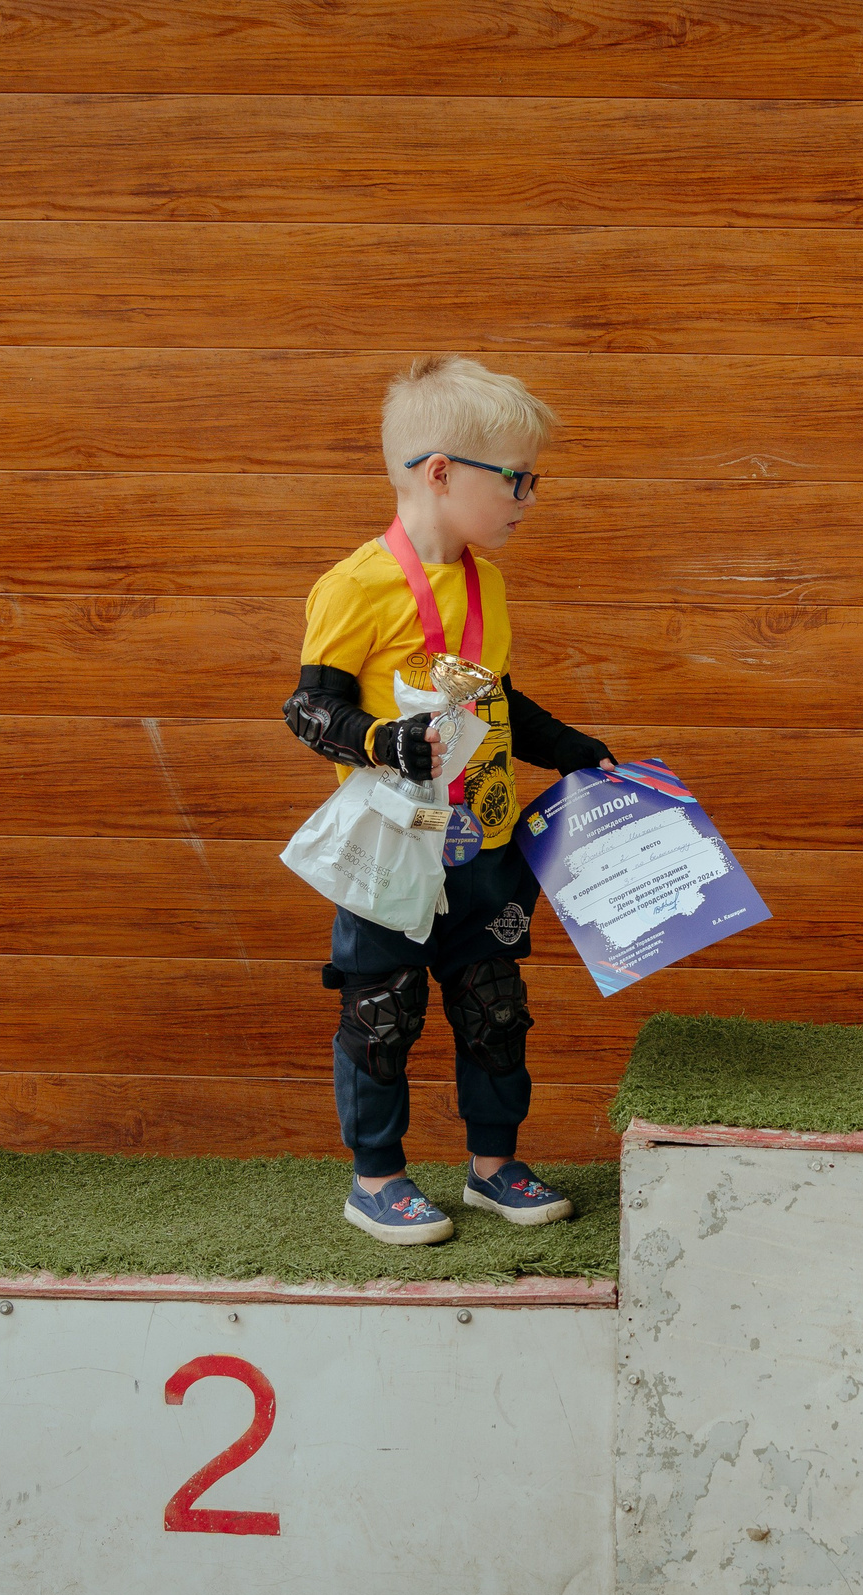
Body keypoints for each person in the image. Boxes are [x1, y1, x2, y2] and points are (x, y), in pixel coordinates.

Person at [282, 355, 612, 1245]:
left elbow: (490, 699)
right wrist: (379, 741)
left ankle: (492, 1165)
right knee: (382, 1012)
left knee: (494, 1006)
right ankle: (376, 1177)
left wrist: (575, 750)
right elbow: (309, 709)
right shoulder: (354, 585)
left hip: (484, 842)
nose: (528, 498)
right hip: (397, 848)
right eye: (517, 478)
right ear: (440, 472)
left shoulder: (487, 583)